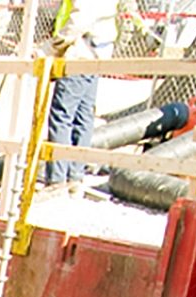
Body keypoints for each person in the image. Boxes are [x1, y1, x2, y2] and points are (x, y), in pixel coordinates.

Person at [43, 0, 120, 195]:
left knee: (62, 115)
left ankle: (57, 182)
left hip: (80, 52)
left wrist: (50, 48)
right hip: (96, 53)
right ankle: (75, 178)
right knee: (83, 117)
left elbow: (79, 20)